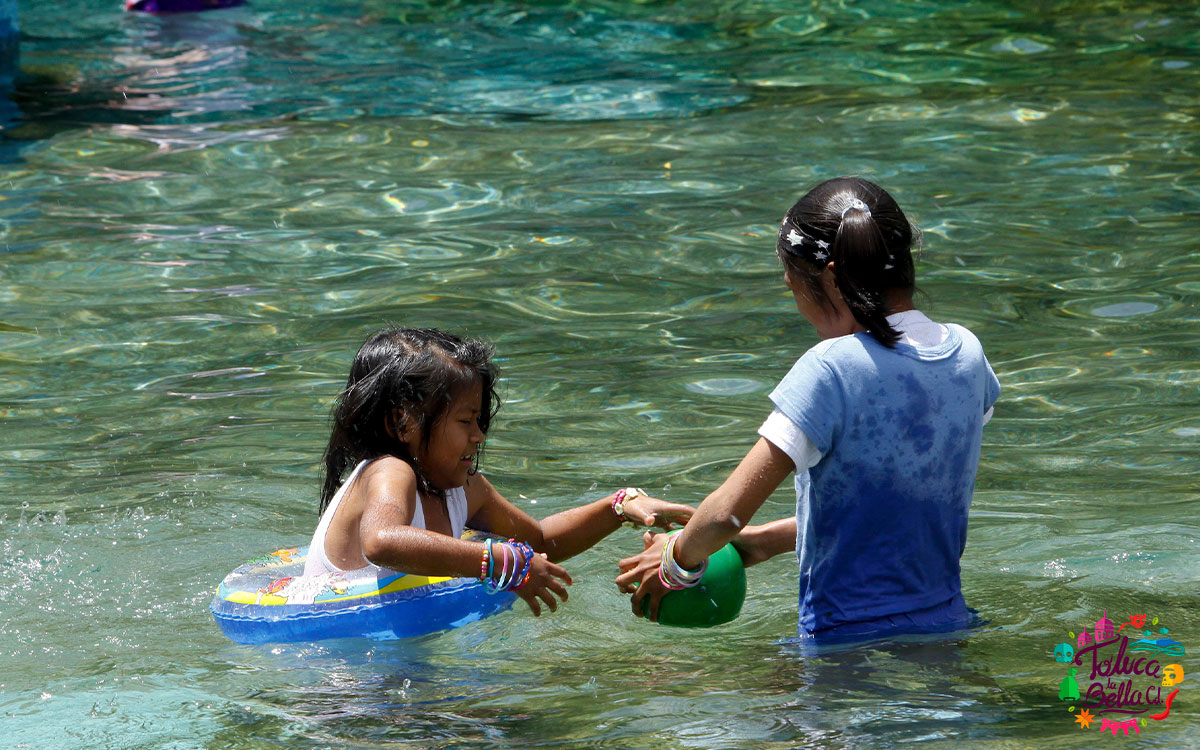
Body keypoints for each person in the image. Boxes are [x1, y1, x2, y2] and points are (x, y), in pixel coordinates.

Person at [617, 177, 1001, 643]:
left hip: (845, 642)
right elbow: (897, 504)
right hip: (949, 627)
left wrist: (676, 562)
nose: (799, 306)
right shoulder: (967, 353)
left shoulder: (831, 369)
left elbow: (723, 516)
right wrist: (764, 542)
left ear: (831, 280)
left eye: (792, 287)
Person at [306, 326, 693, 616]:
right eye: (465, 421)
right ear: (404, 423)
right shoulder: (389, 472)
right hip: (340, 670)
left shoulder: (465, 489)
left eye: (479, 420)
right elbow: (383, 542)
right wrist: (502, 562)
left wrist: (617, 507)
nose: (478, 436)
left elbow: (540, 539)